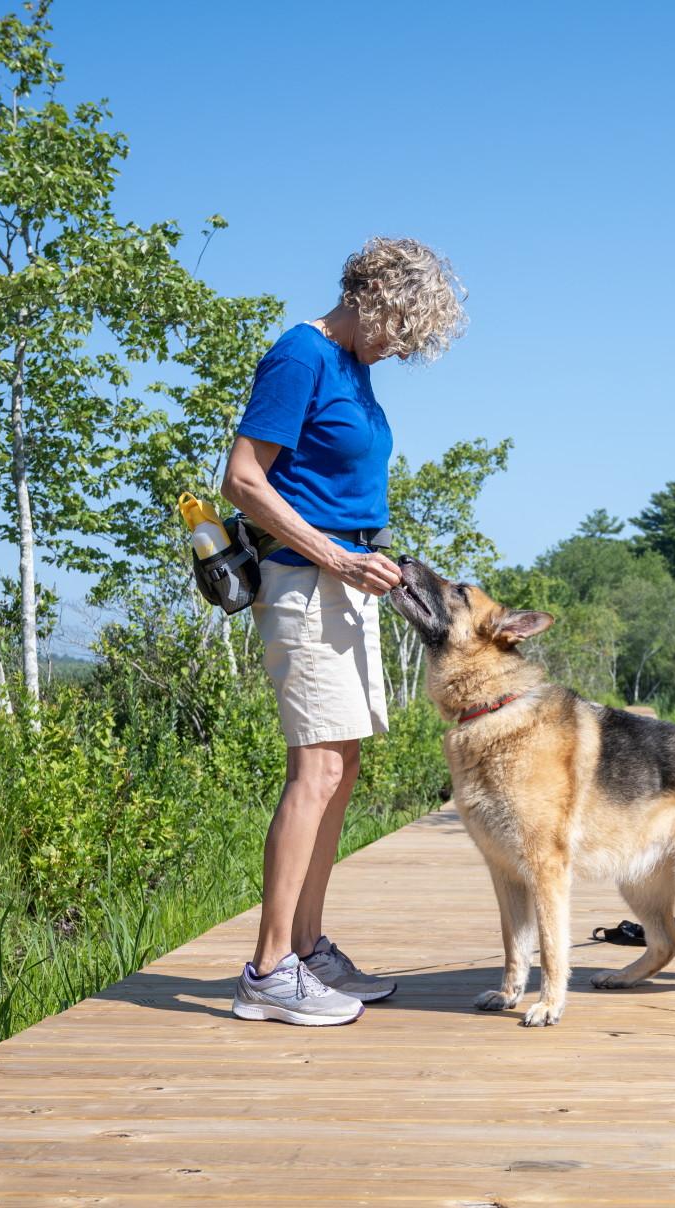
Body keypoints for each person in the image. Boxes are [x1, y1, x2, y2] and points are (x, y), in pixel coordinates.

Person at [220, 237, 467, 1027]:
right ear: (373, 296)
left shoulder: (353, 367)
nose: (401, 346)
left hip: (347, 581)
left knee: (343, 766)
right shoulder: (301, 356)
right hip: (303, 583)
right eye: (402, 327)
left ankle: (308, 947)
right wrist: (333, 554)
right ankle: (267, 970)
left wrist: (365, 559)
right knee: (315, 771)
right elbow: (242, 478)